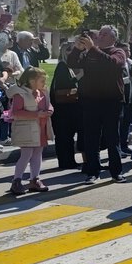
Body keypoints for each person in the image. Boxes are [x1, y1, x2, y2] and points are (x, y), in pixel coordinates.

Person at [66, 26, 128, 184]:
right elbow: (72, 63)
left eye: (105, 34)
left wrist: (92, 48)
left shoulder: (118, 52)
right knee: (91, 138)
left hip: (111, 102)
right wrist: (77, 49)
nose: (100, 36)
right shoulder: (89, 53)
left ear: (113, 38)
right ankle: (92, 172)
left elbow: (112, 64)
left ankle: (116, 172)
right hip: (91, 101)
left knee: (112, 137)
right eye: (100, 34)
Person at [6, 68, 53, 195]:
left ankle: (35, 179)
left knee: (38, 153)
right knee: (26, 154)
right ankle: (17, 180)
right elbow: (16, 112)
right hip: (26, 130)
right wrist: (37, 114)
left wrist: (49, 110)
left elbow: (48, 104)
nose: (44, 83)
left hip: (40, 128)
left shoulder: (42, 92)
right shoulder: (20, 94)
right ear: (32, 81)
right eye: (42, 80)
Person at [49, 42, 82, 170]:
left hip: (66, 108)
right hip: (62, 109)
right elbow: (64, 85)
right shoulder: (62, 66)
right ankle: (65, 162)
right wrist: (80, 76)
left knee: (67, 136)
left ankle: (69, 160)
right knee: (64, 136)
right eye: (69, 50)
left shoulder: (68, 66)